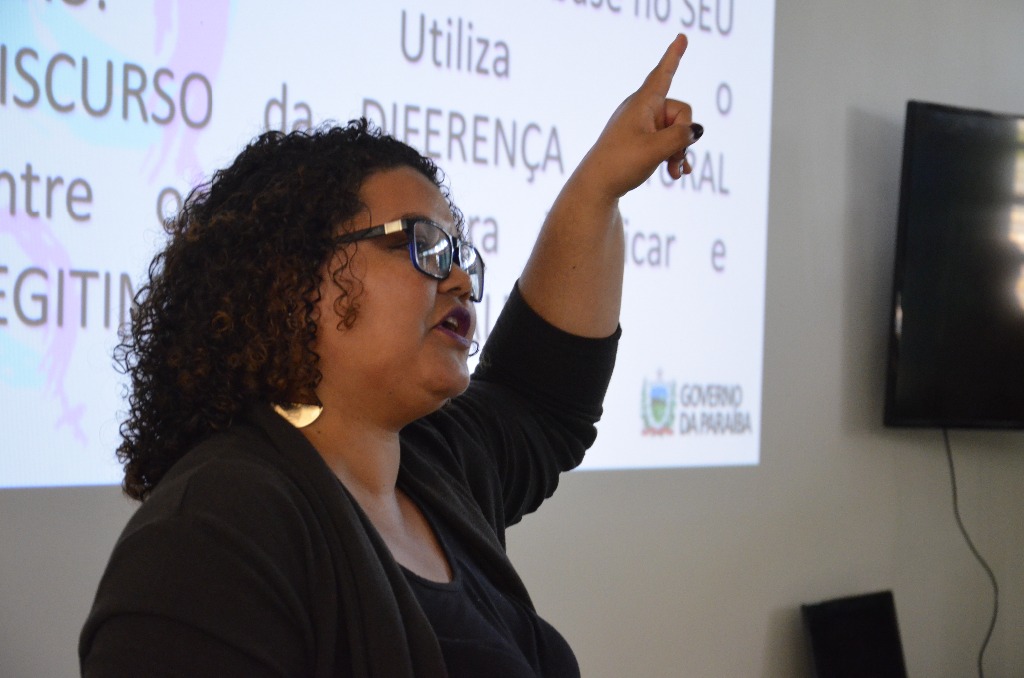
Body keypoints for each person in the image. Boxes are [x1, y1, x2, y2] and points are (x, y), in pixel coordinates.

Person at [79, 34, 701, 677]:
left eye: (459, 255)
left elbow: (541, 398)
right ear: (291, 279)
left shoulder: (434, 466)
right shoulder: (209, 538)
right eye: (423, 244)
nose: (460, 279)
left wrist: (600, 187)